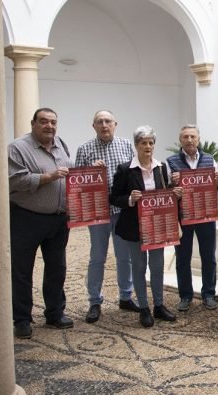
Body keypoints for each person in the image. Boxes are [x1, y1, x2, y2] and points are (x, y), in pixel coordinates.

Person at [9, 108, 74, 339]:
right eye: (44, 122)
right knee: (22, 270)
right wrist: (48, 177)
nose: (49, 126)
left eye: (53, 122)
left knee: (57, 268)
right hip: (27, 218)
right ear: (33, 123)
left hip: (58, 219)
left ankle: (55, 313)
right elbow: (14, 181)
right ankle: (22, 320)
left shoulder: (60, 144)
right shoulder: (18, 148)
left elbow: (68, 171)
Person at [110, 125, 181, 328]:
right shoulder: (125, 169)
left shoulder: (161, 168)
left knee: (157, 267)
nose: (148, 146)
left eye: (151, 143)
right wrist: (130, 199)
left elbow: (165, 192)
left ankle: (159, 305)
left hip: (158, 227)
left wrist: (175, 194)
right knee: (139, 267)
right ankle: (144, 308)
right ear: (136, 145)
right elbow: (114, 197)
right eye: (143, 143)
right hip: (135, 228)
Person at [76, 110, 139, 324]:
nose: (104, 125)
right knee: (97, 258)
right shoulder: (84, 149)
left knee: (125, 257)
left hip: (122, 212)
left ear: (115, 124)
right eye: (100, 122)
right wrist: (89, 170)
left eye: (108, 121)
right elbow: (77, 184)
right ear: (93, 126)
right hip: (98, 213)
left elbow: (134, 176)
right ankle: (95, 301)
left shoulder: (127, 146)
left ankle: (125, 296)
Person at [167, 125, 218, 312]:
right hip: (182, 217)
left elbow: (216, 191)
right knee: (183, 258)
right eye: (185, 137)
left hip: (205, 216)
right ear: (180, 140)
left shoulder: (210, 159)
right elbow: (165, 192)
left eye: (193, 136)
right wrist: (172, 186)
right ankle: (185, 296)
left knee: (209, 257)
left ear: (198, 139)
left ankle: (209, 294)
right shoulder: (171, 162)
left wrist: (216, 181)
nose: (189, 140)